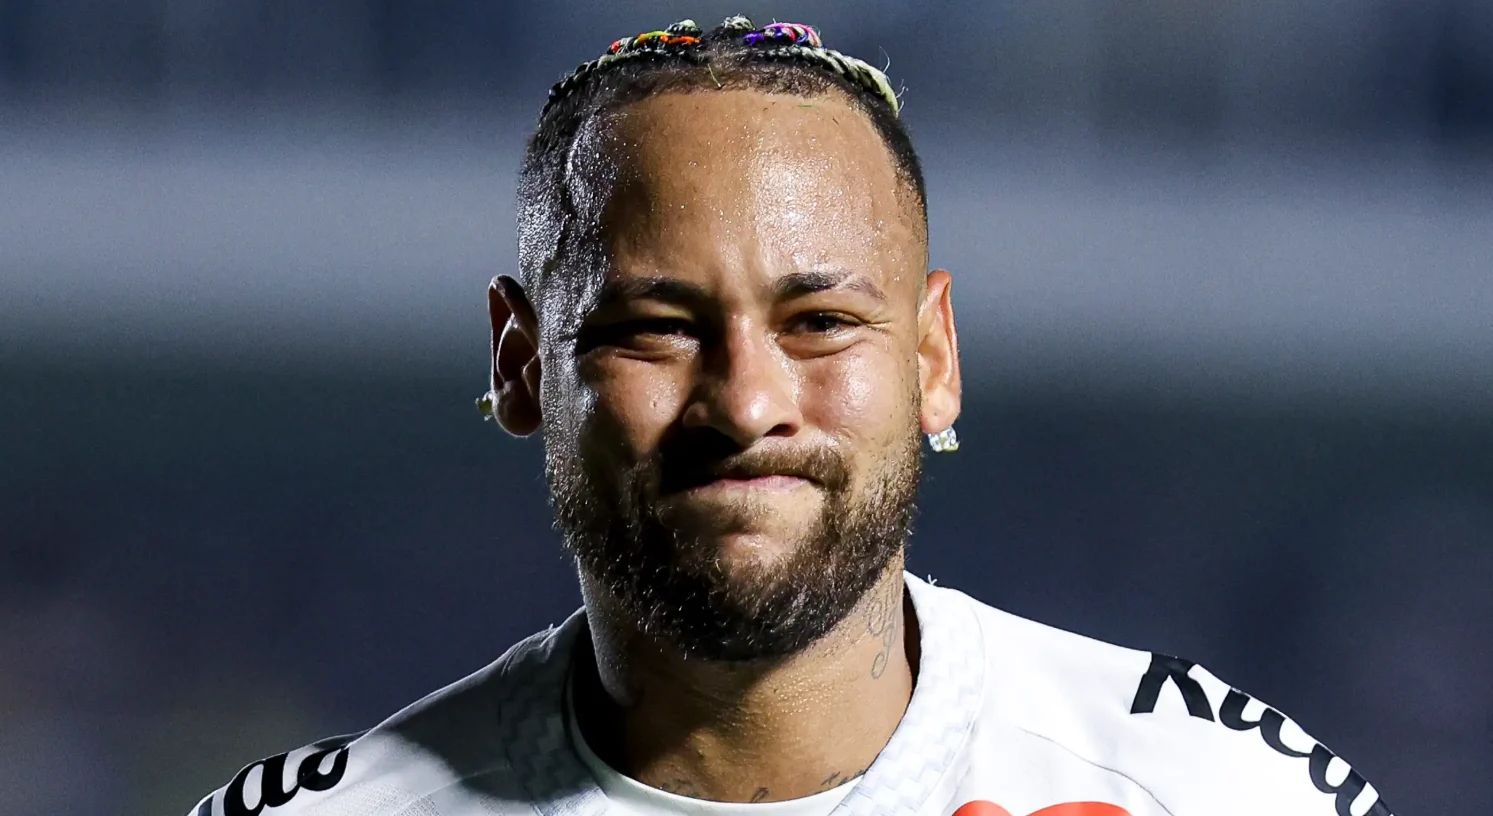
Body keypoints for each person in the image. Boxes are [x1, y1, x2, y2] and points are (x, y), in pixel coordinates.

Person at [185, 16, 1393, 816]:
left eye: (817, 321)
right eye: (657, 326)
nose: (747, 402)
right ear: (519, 362)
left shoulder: (1216, 794)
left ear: (932, 355)